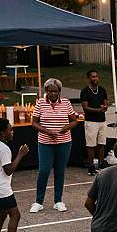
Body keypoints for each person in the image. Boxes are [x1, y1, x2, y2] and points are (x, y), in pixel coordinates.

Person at [30, 78, 77, 213]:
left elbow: (74, 121)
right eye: (50, 91)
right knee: (44, 170)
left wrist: (66, 128)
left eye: (55, 91)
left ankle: (58, 200)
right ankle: (38, 201)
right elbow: (34, 122)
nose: (52, 94)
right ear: (46, 91)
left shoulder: (66, 103)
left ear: (59, 92)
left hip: (64, 141)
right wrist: (47, 131)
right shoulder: (40, 103)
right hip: (45, 142)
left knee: (60, 170)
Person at [80, 69, 109, 176]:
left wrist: (105, 107)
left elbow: (105, 103)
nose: (95, 78)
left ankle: (101, 164)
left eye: (96, 76)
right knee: (91, 145)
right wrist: (98, 109)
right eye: (93, 77)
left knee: (101, 143)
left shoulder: (102, 90)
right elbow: (85, 107)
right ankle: (91, 165)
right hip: (91, 121)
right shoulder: (85, 91)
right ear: (89, 78)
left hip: (102, 120)